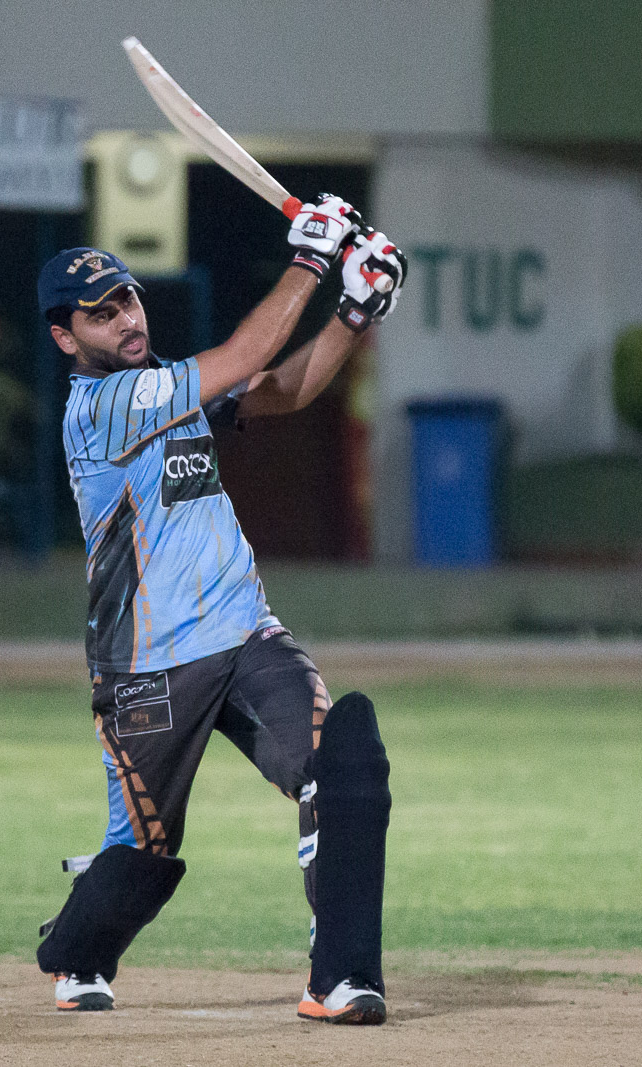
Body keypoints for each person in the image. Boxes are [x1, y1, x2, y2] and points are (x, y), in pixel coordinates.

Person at [32, 199, 406, 1024]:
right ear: (66, 337)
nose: (126, 318)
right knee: (143, 854)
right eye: (100, 314)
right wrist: (312, 260)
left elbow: (279, 388)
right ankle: (77, 950)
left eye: (127, 299)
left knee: (340, 769)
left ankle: (341, 977)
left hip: (245, 633)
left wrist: (356, 309)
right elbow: (244, 354)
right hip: (149, 664)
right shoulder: (101, 408)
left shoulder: (168, 385)